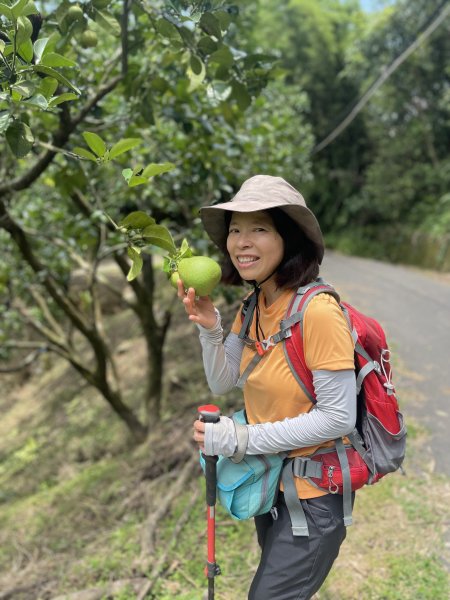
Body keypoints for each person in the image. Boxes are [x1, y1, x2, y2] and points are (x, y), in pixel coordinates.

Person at [177, 175, 356, 600]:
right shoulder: (255, 305)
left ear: (288, 238)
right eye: (236, 229)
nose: (242, 241)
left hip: (314, 499)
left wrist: (241, 439)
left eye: (258, 228)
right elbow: (224, 381)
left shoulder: (318, 312)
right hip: (271, 486)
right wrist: (210, 329)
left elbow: (338, 416)